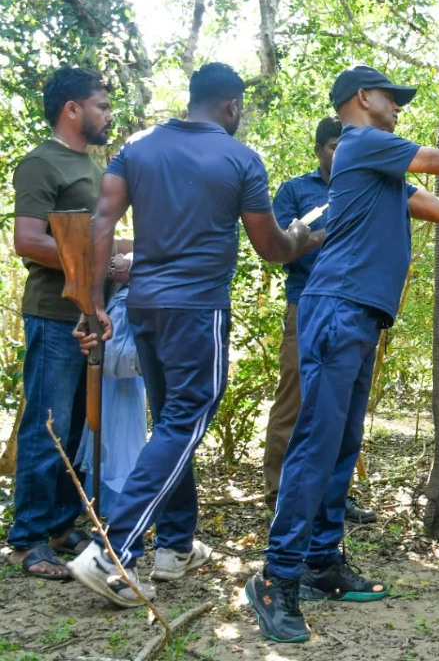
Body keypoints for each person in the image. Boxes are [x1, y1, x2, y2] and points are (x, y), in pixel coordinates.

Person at [245, 65, 439, 643]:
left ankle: (321, 562)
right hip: (336, 308)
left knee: (341, 445)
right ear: (362, 98)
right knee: (316, 444)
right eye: (391, 97)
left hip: (360, 315)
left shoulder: (380, 172)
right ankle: (277, 578)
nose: (398, 106)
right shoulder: (362, 143)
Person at [69, 63, 321, 607]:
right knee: (186, 418)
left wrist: (93, 304)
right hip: (197, 309)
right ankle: (113, 550)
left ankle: (175, 546)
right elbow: (271, 248)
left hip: (143, 306)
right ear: (231, 106)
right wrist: (306, 234)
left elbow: (101, 224)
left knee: (171, 422)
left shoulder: (136, 147)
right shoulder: (240, 158)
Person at [9, 66, 131, 581]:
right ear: (72, 109)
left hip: (92, 315)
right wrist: (104, 263)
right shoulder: (41, 163)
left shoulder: (92, 165)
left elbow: (93, 239)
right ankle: (28, 539)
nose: (108, 116)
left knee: (78, 427)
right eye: (101, 106)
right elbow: (29, 240)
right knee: (49, 425)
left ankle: (61, 526)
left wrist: (130, 252)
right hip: (55, 314)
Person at [263, 117, 373, 524]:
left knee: (342, 408)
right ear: (318, 150)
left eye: (345, 145)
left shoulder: (364, 186)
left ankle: (334, 499)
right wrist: (324, 235)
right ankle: (279, 495)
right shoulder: (296, 191)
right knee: (294, 399)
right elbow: (277, 249)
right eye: (332, 145)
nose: (339, 152)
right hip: (305, 305)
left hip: (352, 307)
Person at [75, 281, 148, 517]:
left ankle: (119, 501)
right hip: (106, 323)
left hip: (128, 319)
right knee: (102, 417)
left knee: (126, 420)